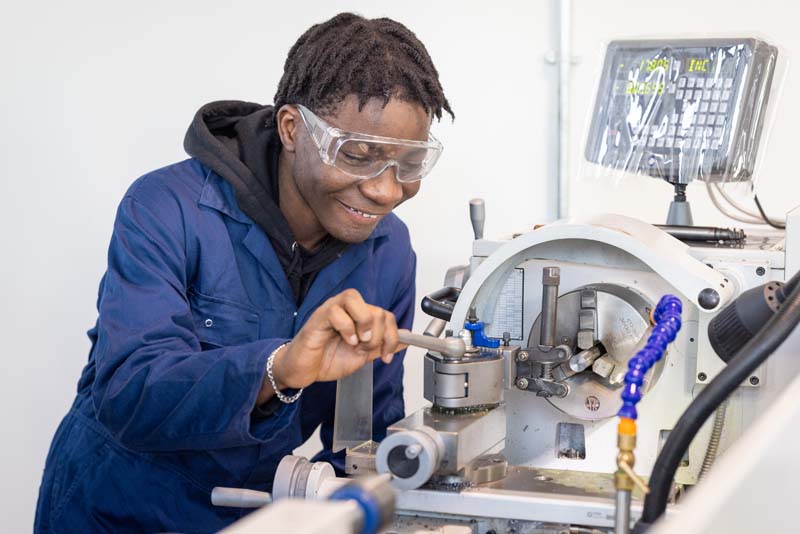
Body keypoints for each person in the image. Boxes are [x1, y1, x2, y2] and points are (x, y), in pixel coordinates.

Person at [34, 12, 453, 532]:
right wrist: (280, 368)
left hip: (253, 513)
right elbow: (130, 391)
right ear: (293, 128)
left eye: (409, 164)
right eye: (359, 155)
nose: (388, 191)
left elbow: (362, 441)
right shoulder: (170, 208)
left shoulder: (386, 250)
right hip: (117, 506)